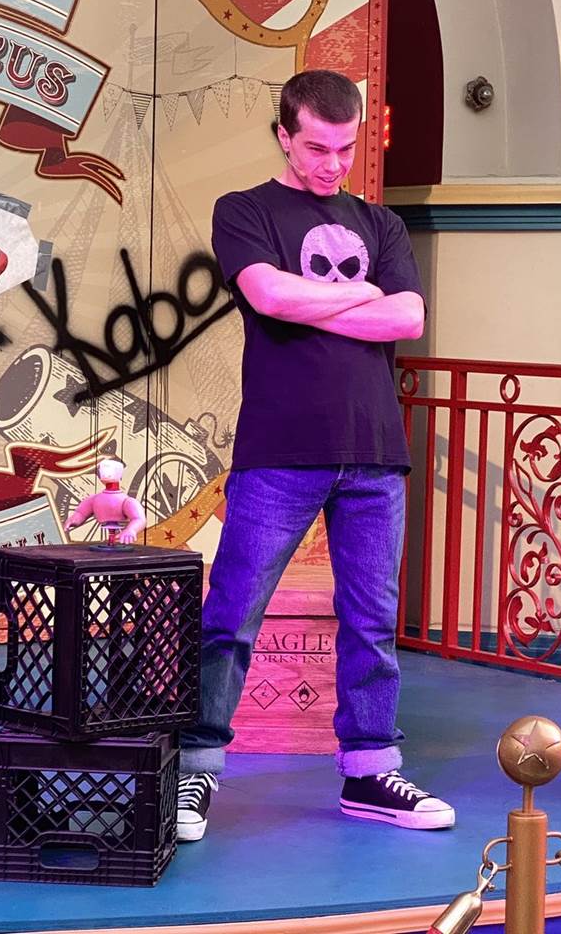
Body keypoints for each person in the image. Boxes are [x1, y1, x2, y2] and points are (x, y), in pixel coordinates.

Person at [177, 69, 455, 841]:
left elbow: (407, 317)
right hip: (279, 448)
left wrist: (317, 302)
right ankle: (194, 767)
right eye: (316, 148)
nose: (333, 163)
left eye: (346, 148)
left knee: (373, 622)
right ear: (284, 136)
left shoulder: (380, 224)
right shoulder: (244, 210)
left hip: (374, 453)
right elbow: (268, 297)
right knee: (232, 615)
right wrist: (362, 297)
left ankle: (369, 772)